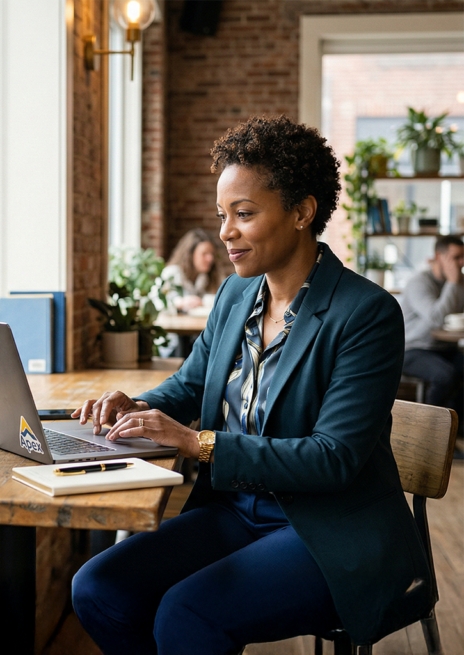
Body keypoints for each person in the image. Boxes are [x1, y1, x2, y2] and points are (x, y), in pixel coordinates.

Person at [69, 115, 432, 655]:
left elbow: (332, 458)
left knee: (186, 614)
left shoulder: (367, 314)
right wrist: (137, 406)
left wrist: (199, 443)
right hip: (236, 510)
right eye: (222, 216)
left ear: (302, 212)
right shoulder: (236, 297)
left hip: (329, 531)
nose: (225, 233)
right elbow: (191, 385)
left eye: (244, 214)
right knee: (98, 589)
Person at [400, 235, 464, 414]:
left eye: (463, 257)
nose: (461, 263)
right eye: (456, 258)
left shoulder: (461, 281)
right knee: (446, 376)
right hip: (413, 349)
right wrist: (452, 282)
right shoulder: (419, 283)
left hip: (445, 348)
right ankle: (430, 431)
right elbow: (436, 318)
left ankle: (456, 428)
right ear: (438, 257)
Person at [161, 228, 222, 312]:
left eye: (212, 254)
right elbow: (158, 301)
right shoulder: (172, 273)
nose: (210, 258)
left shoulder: (206, 276)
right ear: (190, 254)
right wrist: (180, 303)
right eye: (204, 254)